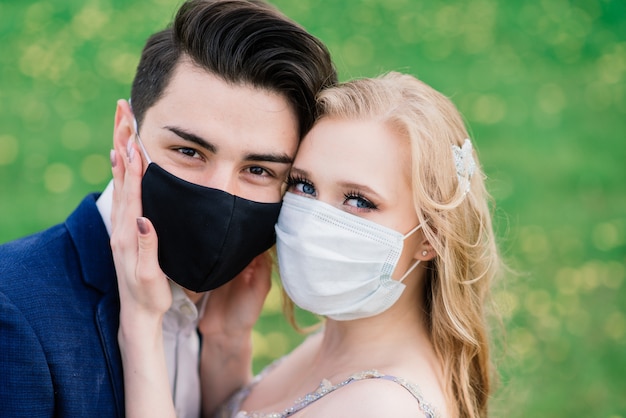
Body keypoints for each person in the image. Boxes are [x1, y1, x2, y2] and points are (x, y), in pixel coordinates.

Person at [0, 0, 336, 416]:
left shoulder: (224, 318)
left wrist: (228, 344)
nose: (219, 193)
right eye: (189, 151)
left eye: (258, 169)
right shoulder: (12, 310)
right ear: (126, 134)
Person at [114, 71, 502, 418]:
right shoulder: (332, 345)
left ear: (431, 235)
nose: (314, 218)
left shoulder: (382, 407)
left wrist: (142, 322)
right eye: (303, 185)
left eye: (359, 200)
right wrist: (226, 342)